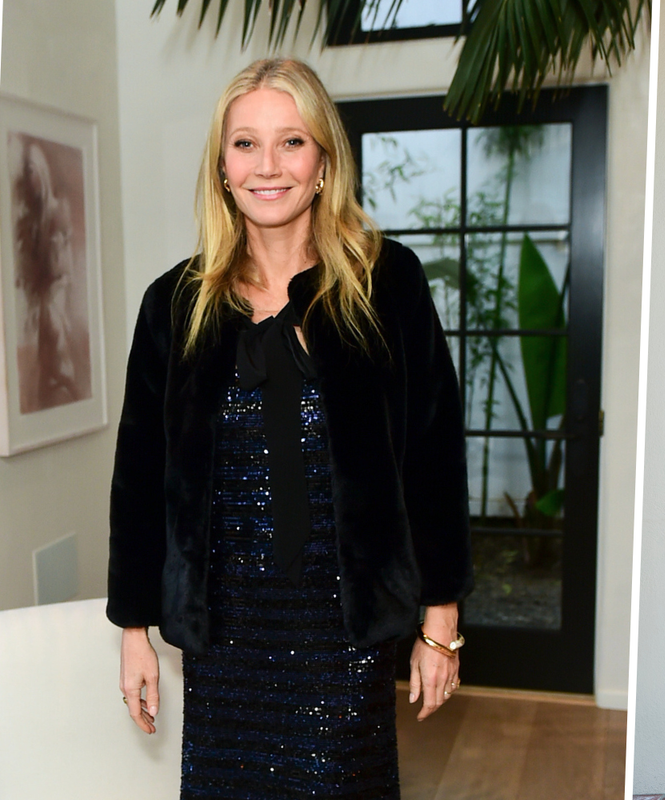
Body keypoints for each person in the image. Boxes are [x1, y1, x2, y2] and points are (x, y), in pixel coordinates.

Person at [106, 58, 473, 799]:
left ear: (323, 162)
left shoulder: (387, 282)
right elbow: (141, 479)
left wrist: (441, 624)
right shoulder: (172, 305)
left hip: (344, 632)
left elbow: (434, 459)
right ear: (221, 167)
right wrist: (133, 632)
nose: (267, 166)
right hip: (224, 637)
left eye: (291, 142)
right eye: (245, 144)